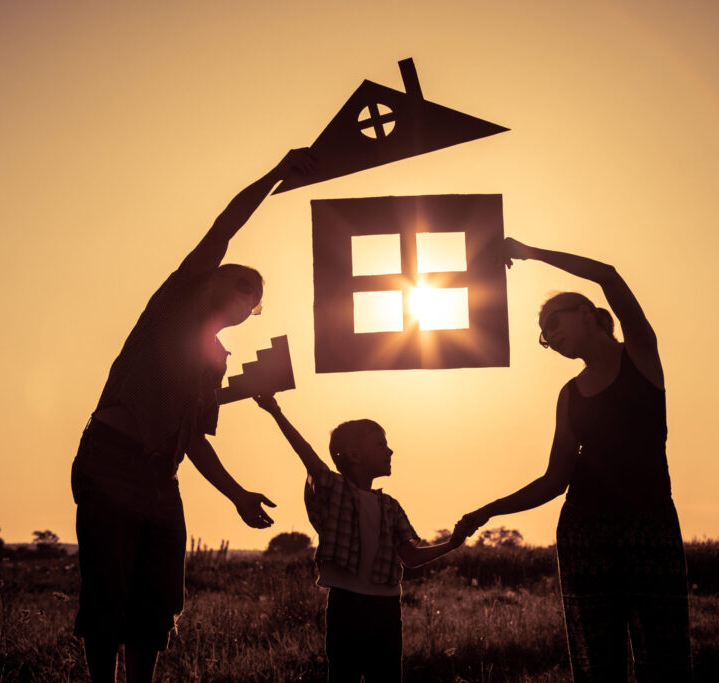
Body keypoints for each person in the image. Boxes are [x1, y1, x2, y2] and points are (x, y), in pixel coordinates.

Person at [70, 148, 317, 683]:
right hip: (111, 460)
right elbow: (225, 226)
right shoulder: (175, 302)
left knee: (155, 600)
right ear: (210, 280)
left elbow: (194, 440)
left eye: (254, 300)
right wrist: (278, 173)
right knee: (107, 591)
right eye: (241, 287)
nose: (247, 301)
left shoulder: (215, 361)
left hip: (162, 477)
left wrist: (238, 494)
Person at [456, 237, 693, 682]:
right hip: (584, 533)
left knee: (665, 659)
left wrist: (531, 253)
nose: (550, 337)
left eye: (553, 323)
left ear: (586, 312)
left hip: (650, 525)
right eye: (544, 336)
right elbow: (554, 480)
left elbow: (608, 275)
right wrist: (488, 510)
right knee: (598, 665)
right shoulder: (570, 395)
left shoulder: (640, 355)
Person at [253, 393, 465, 683]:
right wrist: (275, 411)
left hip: (387, 609)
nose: (390, 451)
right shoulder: (333, 490)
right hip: (347, 606)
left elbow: (411, 557)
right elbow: (306, 454)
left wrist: (452, 544)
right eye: (381, 444)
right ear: (354, 455)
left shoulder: (390, 506)